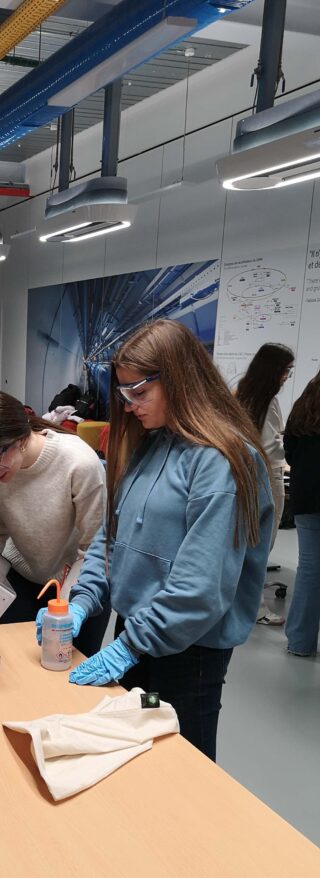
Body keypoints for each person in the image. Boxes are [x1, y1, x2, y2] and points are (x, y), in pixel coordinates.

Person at [64, 319, 273, 761]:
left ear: (180, 381)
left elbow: (200, 587)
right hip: (138, 636)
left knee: (182, 773)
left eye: (139, 392)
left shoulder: (223, 462)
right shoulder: (152, 443)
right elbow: (112, 533)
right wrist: (84, 599)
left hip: (188, 651)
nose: (129, 405)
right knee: (137, 761)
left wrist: (132, 645)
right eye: (123, 394)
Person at [0, 389, 109, 656]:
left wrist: (67, 608)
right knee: (10, 664)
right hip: (23, 577)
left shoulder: (79, 463)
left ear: (20, 441)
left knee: (70, 681)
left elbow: (95, 549)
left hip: (80, 584)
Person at [234, 342, 294, 624]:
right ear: (274, 371)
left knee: (247, 540)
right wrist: (289, 445)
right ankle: (256, 609)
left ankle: (240, 599)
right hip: (267, 476)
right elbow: (270, 449)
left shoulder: (241, 393)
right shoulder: (268, 400)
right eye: (286, 371)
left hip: (244, 472)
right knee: (262, 544)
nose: (286, 377)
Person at [284, 370, 320, 657]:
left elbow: (290, 451)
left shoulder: (304, 405)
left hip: (306, 495)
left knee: (309, 570)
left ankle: (299, 642)